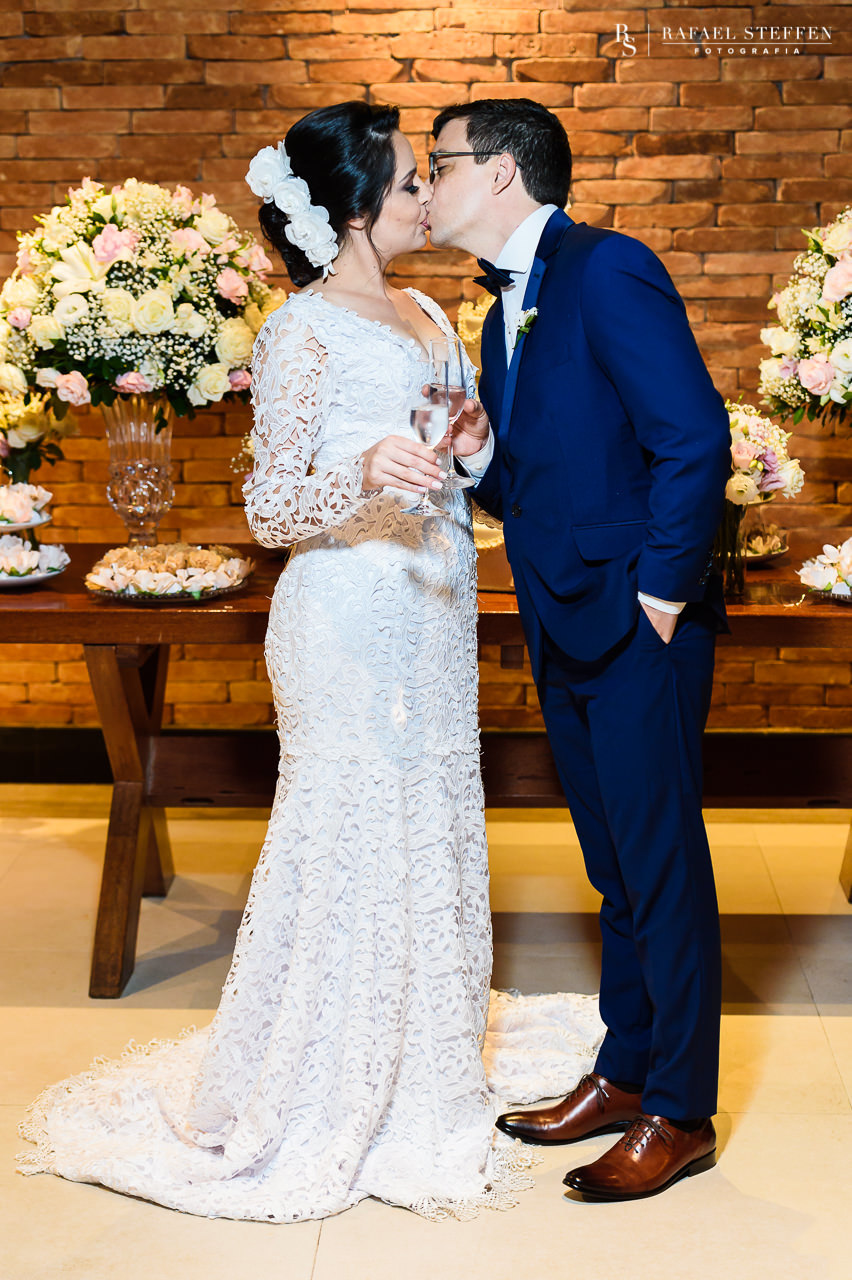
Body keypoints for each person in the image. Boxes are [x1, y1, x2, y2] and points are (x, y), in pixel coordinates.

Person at [18, 101, 600, 1222]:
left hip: (432, 609)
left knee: (431, 815)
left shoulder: (431, 311)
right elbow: (272, 509)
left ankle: (423, 1056)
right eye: (411, 179)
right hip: (343, 620)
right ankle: (329, 1074)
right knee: (349, 826)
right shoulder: (300, 332)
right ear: (358, 209)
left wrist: (469, 447)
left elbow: (458, 472)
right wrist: (364, 470)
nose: (429, 194)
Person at [427, 97, 732, 1203]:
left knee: (662, 867)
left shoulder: (610, 269)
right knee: (614, 868)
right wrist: (480, 454)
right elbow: (539, 480)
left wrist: (660, 594)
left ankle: (680, 1110)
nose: (429, 183)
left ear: (501, 172)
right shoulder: (501, 311)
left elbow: (694, 437)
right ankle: (624, 1069)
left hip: (637, 625)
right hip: (561, 619)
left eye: (441, 163)